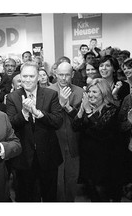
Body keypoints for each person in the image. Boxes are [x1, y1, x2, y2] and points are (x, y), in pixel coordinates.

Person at [6, 61, 63, 202]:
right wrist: (24, 113)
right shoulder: (13, 97)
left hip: (48, 156)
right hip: (24, 158)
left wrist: (37, 113)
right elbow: (11, 125)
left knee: (50, 196)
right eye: (24, 76)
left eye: (31, 76)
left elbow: (57, 121)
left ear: (38, 77)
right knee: (26, 197)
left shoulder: (51, 95)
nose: (27, 80)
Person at [72, 78, 123, 201]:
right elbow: (75, 127)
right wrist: (81, 112)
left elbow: (99, 130)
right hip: (88, 158)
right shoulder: (86, 106)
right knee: (92, 192)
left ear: (103, 93)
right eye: (89, 92)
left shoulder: (112, 110)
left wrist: (89, 112)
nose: (90, 95)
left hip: (105, 161)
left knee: (102, 193)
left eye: (94, 92)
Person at [48, 62, 84, 201]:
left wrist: (68, 107)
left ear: (73, 75)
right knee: (56, 181)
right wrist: (60, 104)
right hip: (54, 142)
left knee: (72, 179)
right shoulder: (48, 91)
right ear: (55, 74)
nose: (63, 78)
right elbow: (46, 118)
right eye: (60, 75)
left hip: (74, 142)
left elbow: (82, 121)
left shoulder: (80, 92)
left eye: (67, 75)